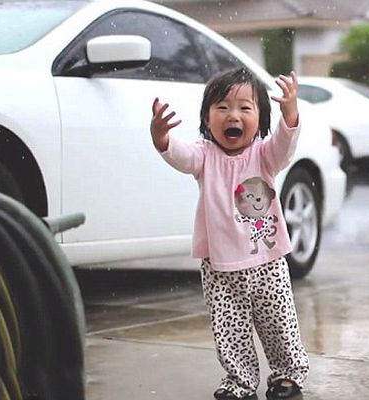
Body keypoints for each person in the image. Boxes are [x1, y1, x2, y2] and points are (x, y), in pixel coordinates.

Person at [149, 67, 309, 400]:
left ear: (260, 119)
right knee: (229, 329)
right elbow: (179, 156)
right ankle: (240, 382)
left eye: (244, 108)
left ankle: (287, 375)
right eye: (222, 108)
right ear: (207, 119)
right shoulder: (204, 156)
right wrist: (161, 137)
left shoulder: (265, 155)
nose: (232, 115)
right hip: (219, 266)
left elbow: (285, 143)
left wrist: (290, 112)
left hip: (267, 260)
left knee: (278, 323)